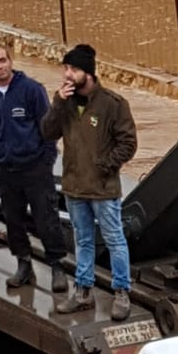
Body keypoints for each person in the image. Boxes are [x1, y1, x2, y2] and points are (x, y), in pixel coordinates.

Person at [40, 43, 137, 322]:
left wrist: (104, 166)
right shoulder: (65, 102)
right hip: (73, 187)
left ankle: (121, 291)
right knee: (82, 240)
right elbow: (47, 132)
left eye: (73, 69)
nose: (67, 74)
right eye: (66, 68)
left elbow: (128, 143)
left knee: (114, 239)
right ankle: (83, 291)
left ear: (89, 73)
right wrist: (58, 101)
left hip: (103, 189)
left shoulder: (113, 104)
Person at [0, 39, 68, 293]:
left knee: (46, 218)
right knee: (13, 220)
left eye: (2, 61)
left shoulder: (31, 90)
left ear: (11, 62)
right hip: (5, 169)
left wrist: (47, 161)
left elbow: (48, 128)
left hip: (35, 167)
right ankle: (23, 264)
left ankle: (57, 266)